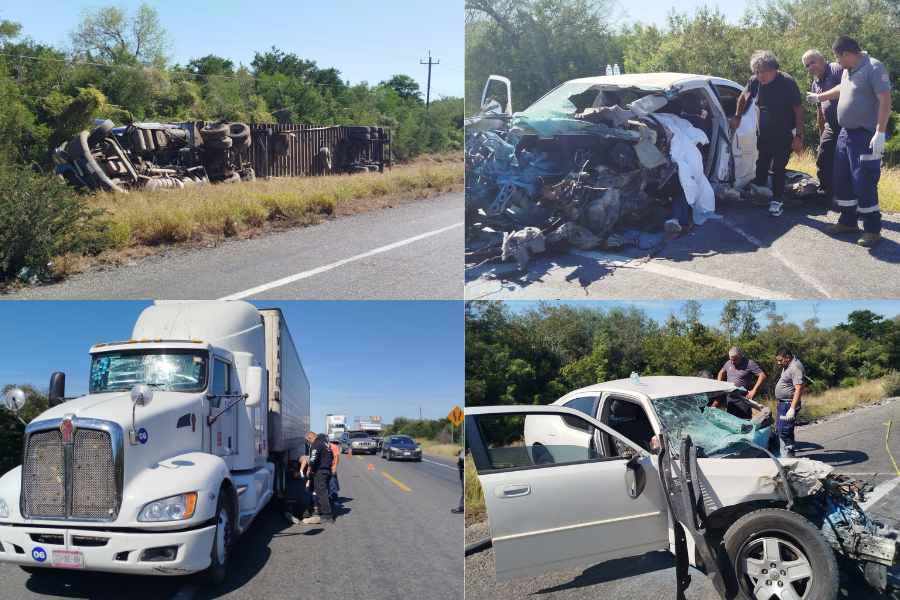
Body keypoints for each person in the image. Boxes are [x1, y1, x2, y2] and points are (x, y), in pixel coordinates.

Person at [808, 36, 892, 247]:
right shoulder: (848, 70)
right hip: (846, 134)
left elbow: (885, 100)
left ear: (847, 54)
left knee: (864, 181)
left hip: (865, 135)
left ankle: (872, 229)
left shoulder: (873, 67)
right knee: (842, 178)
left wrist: (880, 132)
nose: (837, 61)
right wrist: (821, 97)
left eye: (838, 57)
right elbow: (841, 90)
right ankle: (848, 222)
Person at [731, 50, 804, 217]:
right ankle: (759, 193)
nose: (759, 76)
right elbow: (743, 97)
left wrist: (798, 136)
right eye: (756, 72)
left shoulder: (787, 82)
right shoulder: (755, 80)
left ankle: (777, 200)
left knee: (778, 167)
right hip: (763, 130)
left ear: (773, 69)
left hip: (784, 132)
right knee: (762, 163)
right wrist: (737, 116)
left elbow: (798, 110)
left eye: (762, 72)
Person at [802, 49, 844, 201]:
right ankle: (826, 192)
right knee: (823, 157)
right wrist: (821, 132)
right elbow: (820, 110)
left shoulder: (835, 69)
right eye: (807, 66)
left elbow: (845, 89)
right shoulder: (815, 83)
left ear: (822, 59)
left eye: (812, 62)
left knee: (845, 162)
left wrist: (819, 96)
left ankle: (848, 198)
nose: (810, 67)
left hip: (848, 125)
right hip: (831, 126)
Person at [716, 346, 767, 419]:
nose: (733, 362)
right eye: (731, 360)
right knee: (731, 422)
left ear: (740, 356)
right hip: (730, 399)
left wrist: (753, 390)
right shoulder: (728, 363)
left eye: (735, 360)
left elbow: (762, 375)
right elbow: (721, 372)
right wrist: (719, 384)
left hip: (743, 399)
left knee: (744, 423)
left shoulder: (749, 363)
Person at [774, 348, 805, 458]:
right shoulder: (787, 365)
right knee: (780, 430)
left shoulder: (795, 367)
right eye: (777, 360)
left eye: (780, 360)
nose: (778, 363)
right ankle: (785, 455)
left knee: (784, 431)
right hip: (783, 403)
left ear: (787, 357)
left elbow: (799, 389)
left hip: (788, 404)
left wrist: (792, 408)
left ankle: (789, 456)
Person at [302, 430, 334, 524]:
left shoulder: (316, 444)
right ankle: (322, 511)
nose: (308, 443)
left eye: (308, 441)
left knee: (321, 492)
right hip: (326, 470)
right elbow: (331, 457)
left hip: (320, 471)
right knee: (322, 491)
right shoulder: (325, 443)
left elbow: (313, 459)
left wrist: (309, 469)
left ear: (310, 438)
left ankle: (327, 515)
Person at [451, 449, 464, 514]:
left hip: (464, 472)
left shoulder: (463, 451)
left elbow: (461, 460)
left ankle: (461, 507)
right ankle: (462, 507)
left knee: (464, 491)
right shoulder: (463, 451)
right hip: (462, 473)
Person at [329, 439, 341, 504]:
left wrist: (334, 467)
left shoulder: (334, 447)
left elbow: (336, 457)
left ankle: (335, 500)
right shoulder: (321, 445)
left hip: (331, 467)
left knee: (333, 483)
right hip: (323, 467)